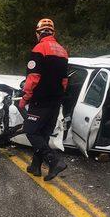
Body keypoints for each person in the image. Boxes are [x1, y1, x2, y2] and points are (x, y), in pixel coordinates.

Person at [18, 18, 69, 181]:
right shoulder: (63, 51)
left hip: (40, 100)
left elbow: (33, 78)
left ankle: (54, 162)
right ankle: (36, 166)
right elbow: (64, 80)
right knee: (44, 134)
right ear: (53, 33)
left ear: (38, 33)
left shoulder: (39, 48)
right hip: (55, 101)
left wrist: (25, 98)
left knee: (31, 131)